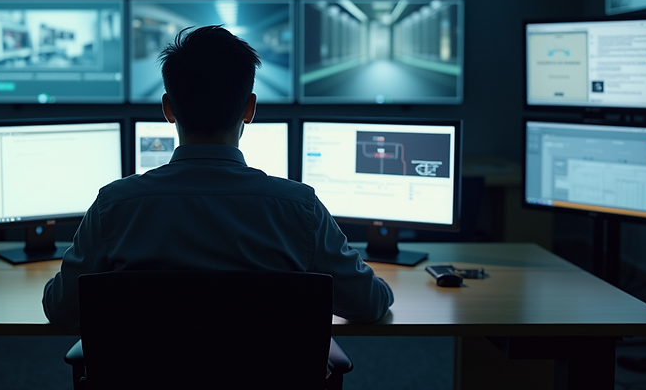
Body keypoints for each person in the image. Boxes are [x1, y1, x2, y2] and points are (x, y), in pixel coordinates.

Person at [43, 26, 394, 327]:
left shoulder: (114, 207)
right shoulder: (299, 209)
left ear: (167, 109)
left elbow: (60, 310)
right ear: (250, 109)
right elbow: (369, 305)